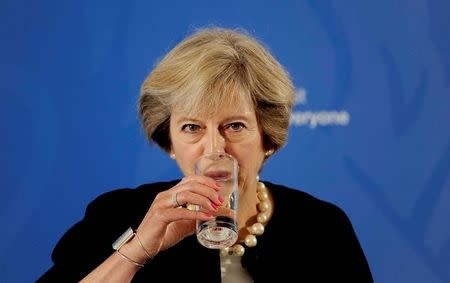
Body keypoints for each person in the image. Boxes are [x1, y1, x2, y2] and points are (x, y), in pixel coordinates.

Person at [37, 27, 373, 283]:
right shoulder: (117, 215)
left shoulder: (323, 228)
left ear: (267, 138)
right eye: (192, 127)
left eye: (235, 126)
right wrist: (139, 249)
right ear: (168, 142)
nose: (215, 149)